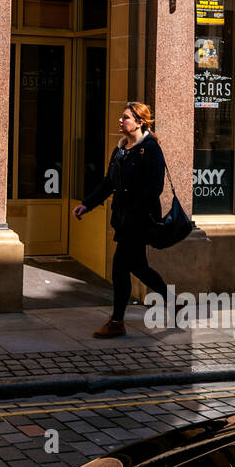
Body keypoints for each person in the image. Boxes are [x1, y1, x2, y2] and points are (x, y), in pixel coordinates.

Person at [72, 102, 170, 338]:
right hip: (123, 218)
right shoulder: (120, 149)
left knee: (119, 268)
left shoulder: (150, 149)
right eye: (121, 117)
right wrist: (87, 204)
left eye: (125, 117)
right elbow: (109, 183)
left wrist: (135, 211)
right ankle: (174, 303)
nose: (120, 120)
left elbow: (155, 187)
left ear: (139, 122)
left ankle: (117, 321)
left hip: (139, 220)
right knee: (139, 267)